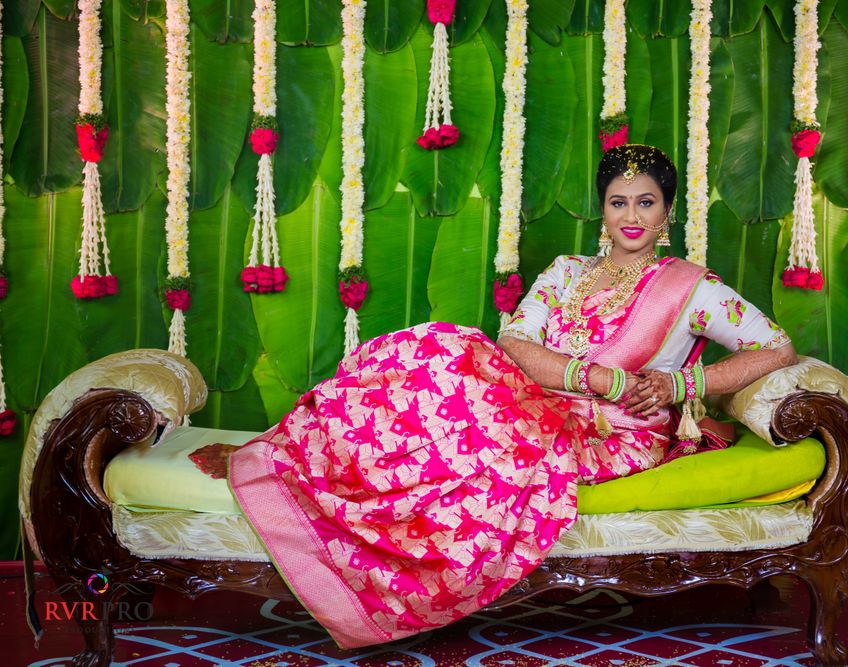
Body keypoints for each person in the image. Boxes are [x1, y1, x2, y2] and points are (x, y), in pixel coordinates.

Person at [228, 144, 797, 650]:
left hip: (613, 431)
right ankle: (315, 459)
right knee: (433, 350)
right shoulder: (567, 271)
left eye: (646, 202)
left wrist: (681, 384)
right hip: (533, 395)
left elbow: (776, 348)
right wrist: (603, 377)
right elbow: (516, 342)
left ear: (666, 211)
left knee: (494, 445)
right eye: (619, 201)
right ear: (602, 208)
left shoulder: (693, 288)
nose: (631, 216)